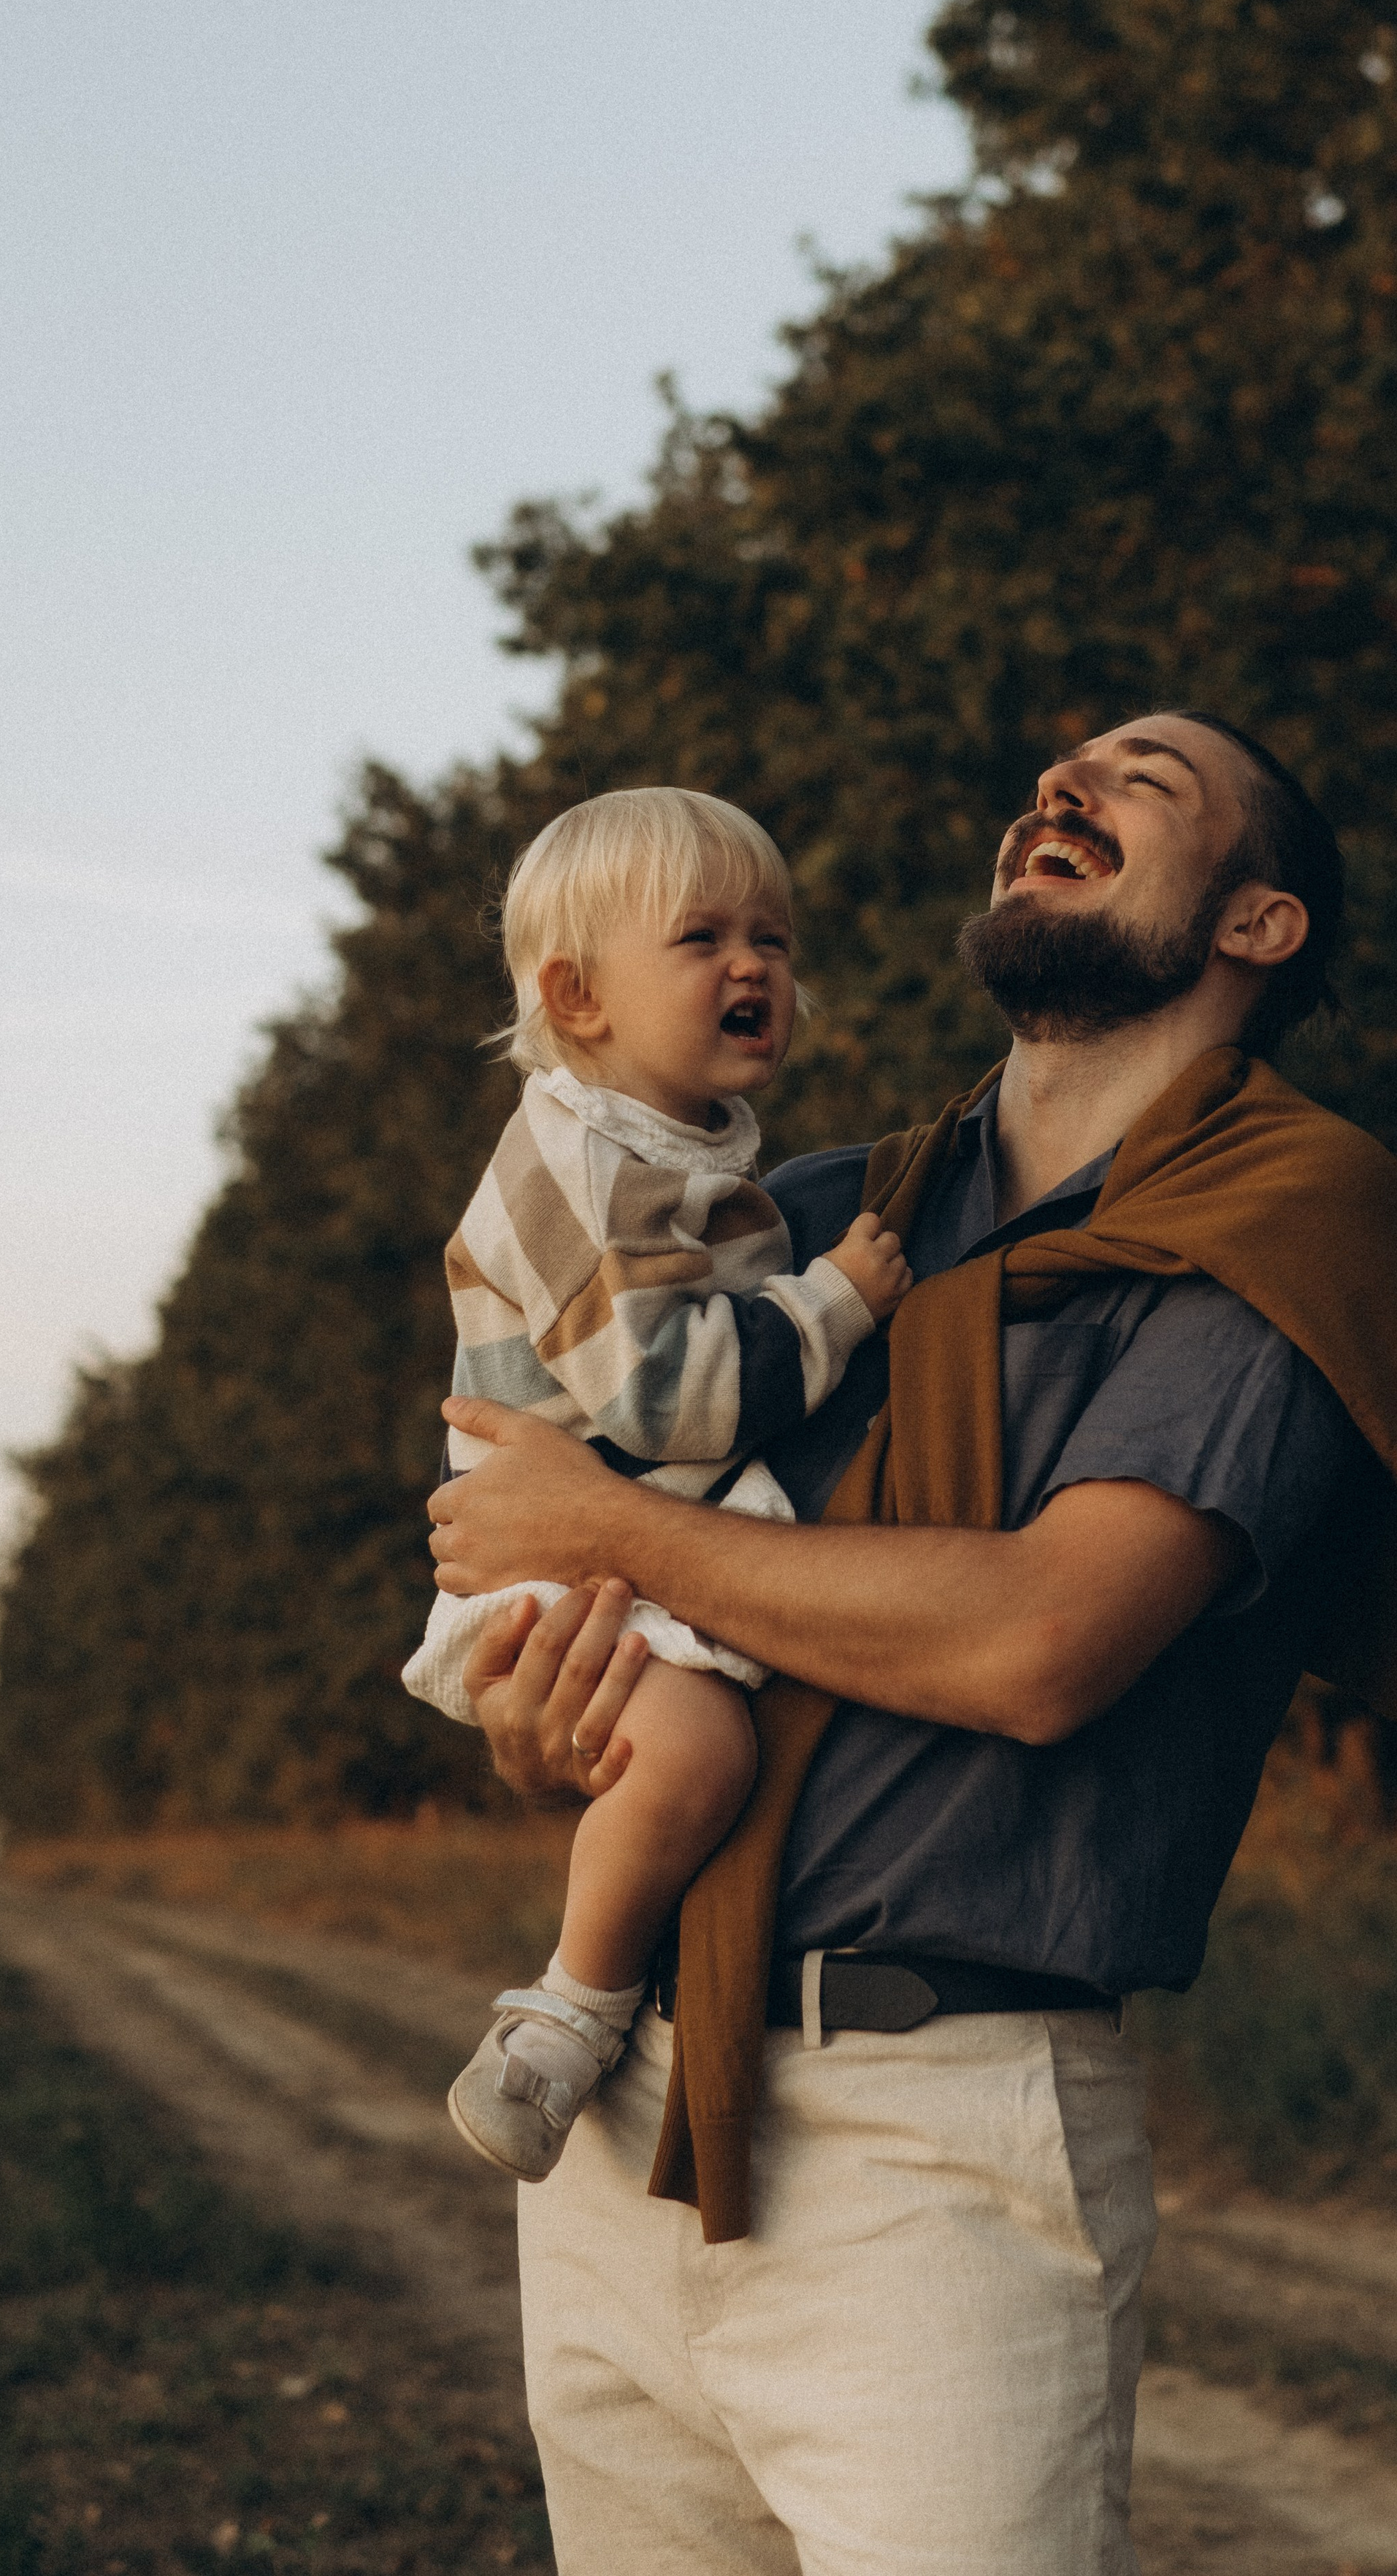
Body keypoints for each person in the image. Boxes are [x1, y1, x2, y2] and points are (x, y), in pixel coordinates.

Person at [426, 710, 1397, 2576]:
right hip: (628, 2105)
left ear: (1257, 925)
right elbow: (592, 1623)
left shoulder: (1277, 1212)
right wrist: (543, 1709)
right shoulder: (818, 1217)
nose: (1057, 790)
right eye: (1050, 779)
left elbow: (1044, 1642)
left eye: (1138, 781)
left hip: (935, 2145)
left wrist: (605, 1526)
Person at [403, 786, 911, 2181]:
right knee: (695, 1752)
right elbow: (660, 1392)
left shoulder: (664, 1146)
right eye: (702, 937)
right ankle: (561, 2018)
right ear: (578, 996)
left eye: (776, 937)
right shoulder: (573, 1163)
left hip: (623, 1526)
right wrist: (837, 1306)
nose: (754, 965)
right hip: (564, 1558)